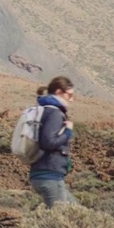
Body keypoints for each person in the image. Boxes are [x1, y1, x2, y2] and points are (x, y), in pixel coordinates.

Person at [30, 76, 78, 207]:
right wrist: (68, 131)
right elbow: (48, 142)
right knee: (61, 219)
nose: (72, 99)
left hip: (43, 174)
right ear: (58, 92)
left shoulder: (45, 110)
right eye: (70, 95)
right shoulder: (54, 113)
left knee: (76, 211)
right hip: (49, 175)